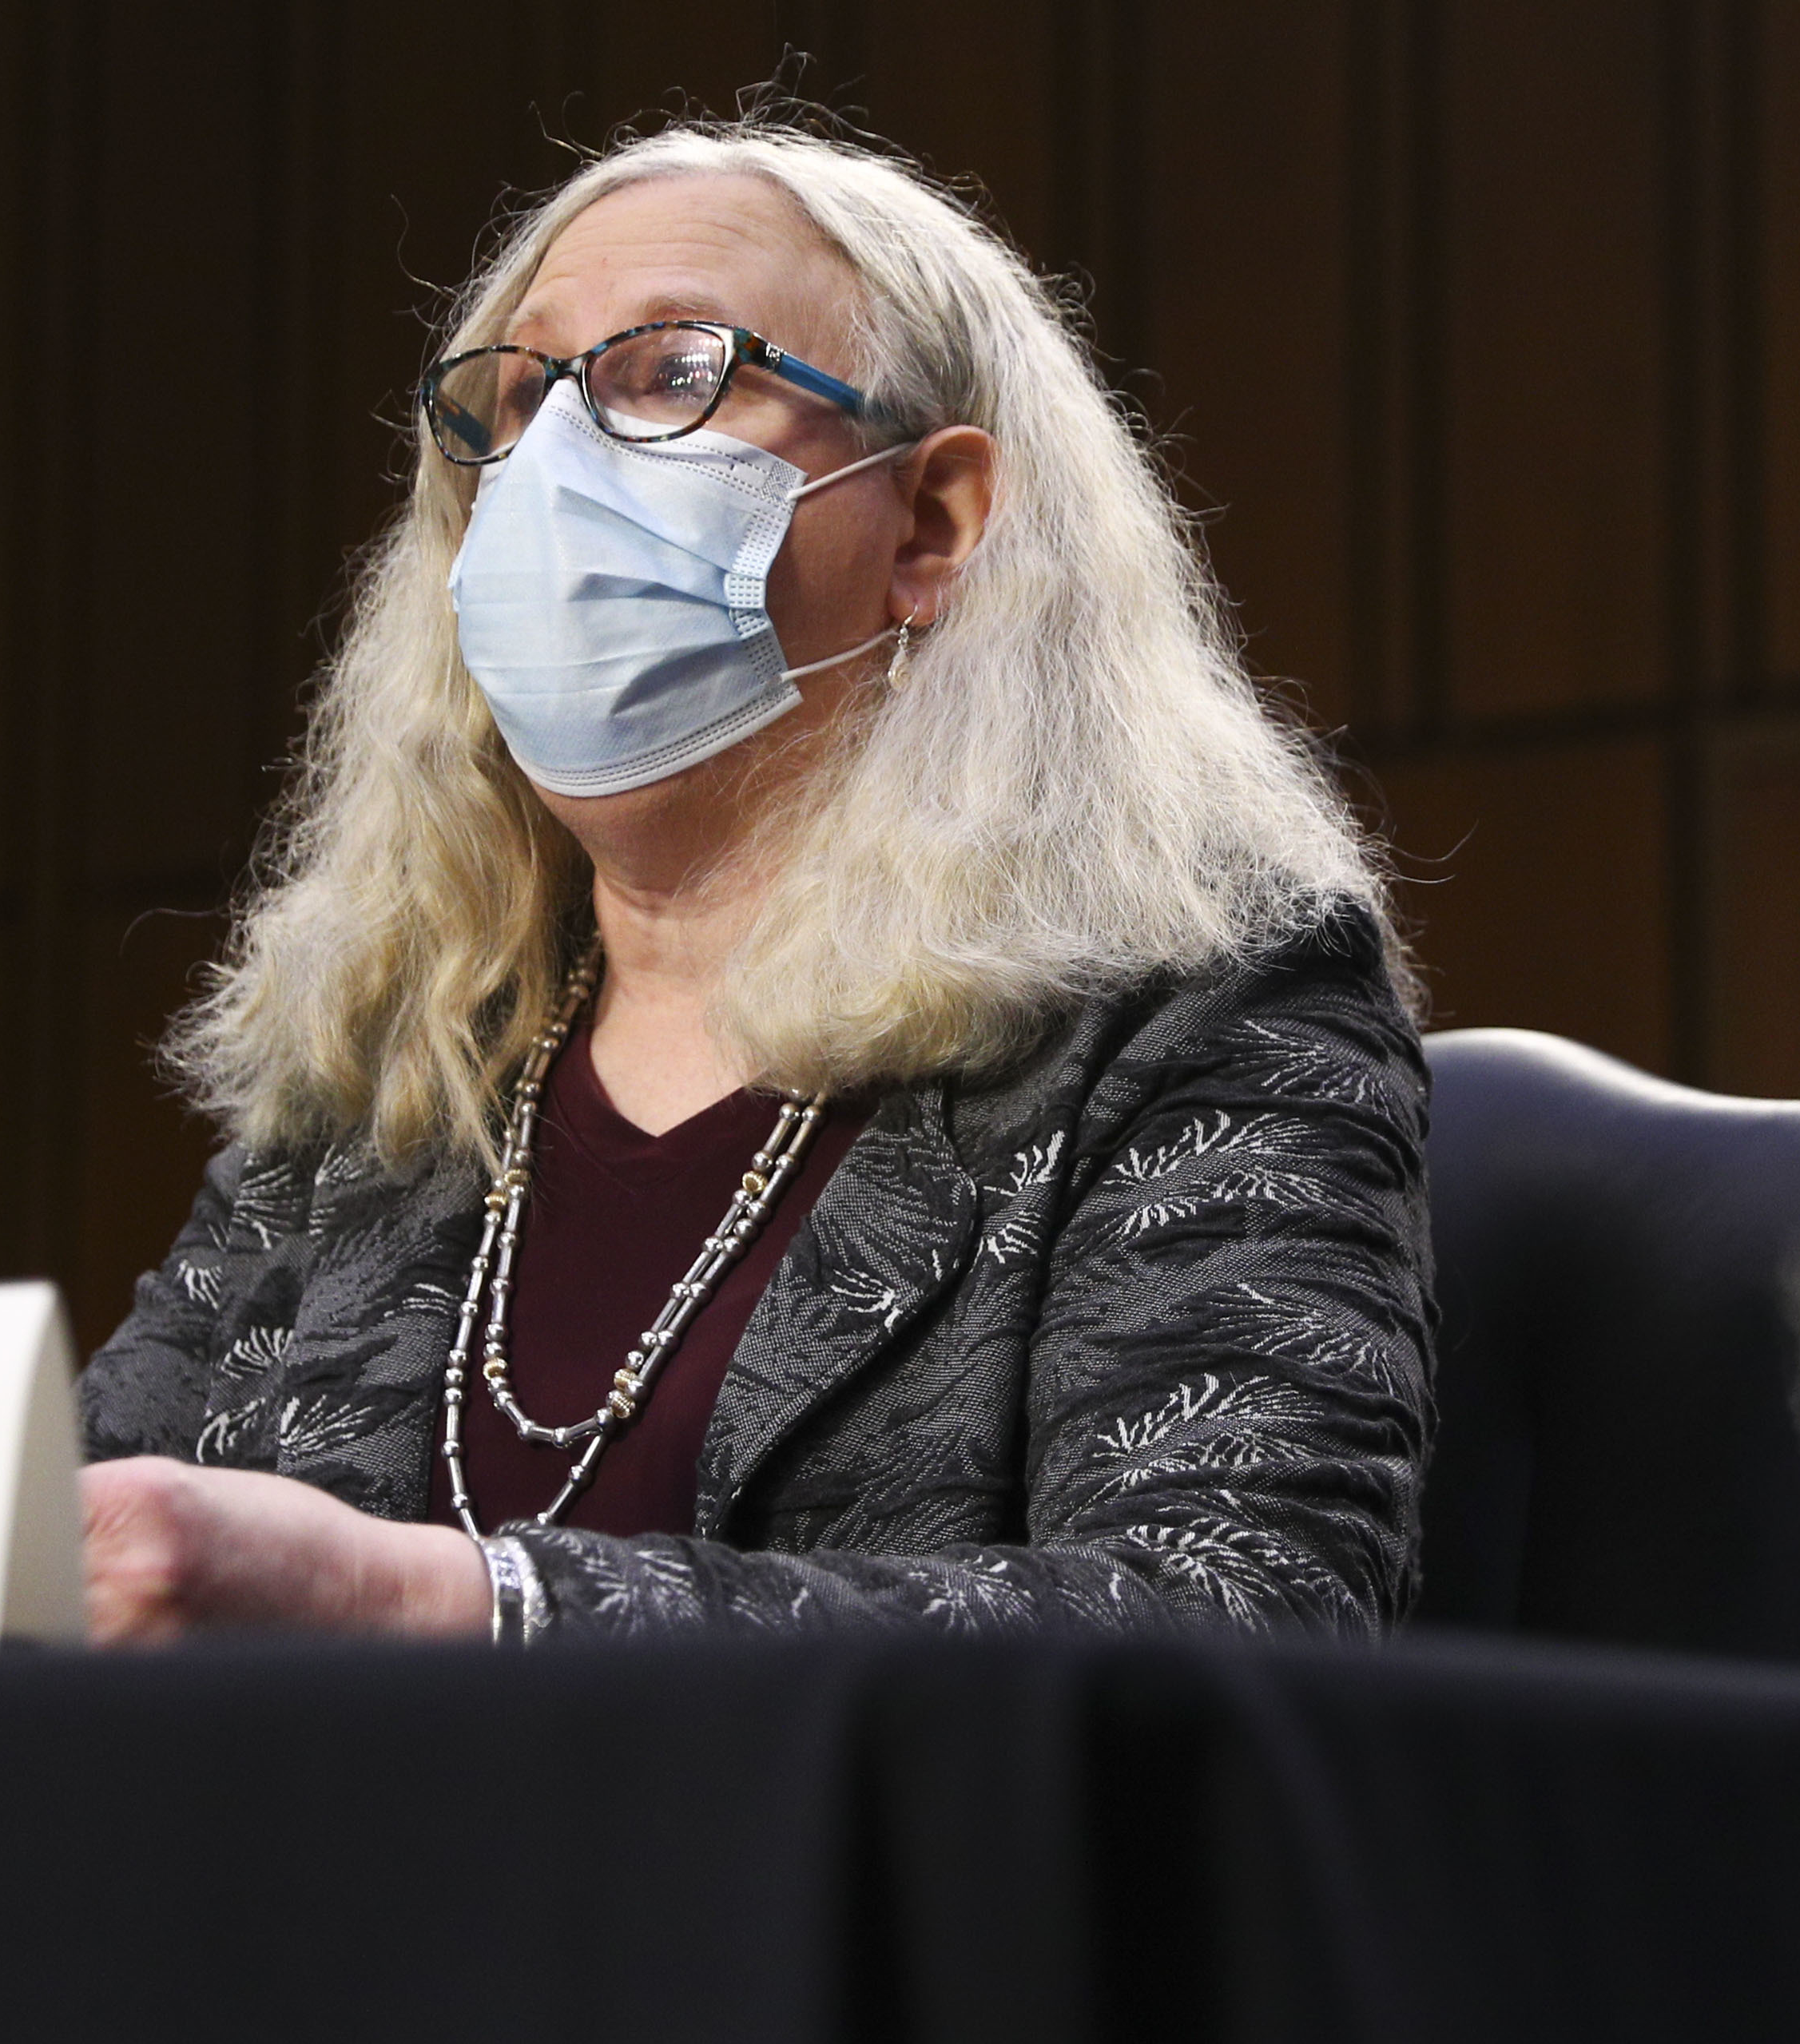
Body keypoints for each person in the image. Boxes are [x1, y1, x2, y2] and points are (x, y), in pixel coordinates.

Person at [75, 120, 1432, 1649]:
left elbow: (1233, 1615)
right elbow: (86, 1547)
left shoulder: (1199, 1007)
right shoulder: (400, 1054)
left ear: (930, 525)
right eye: (518, 397)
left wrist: (439, 1603)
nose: (553, 461)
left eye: (672, 372)